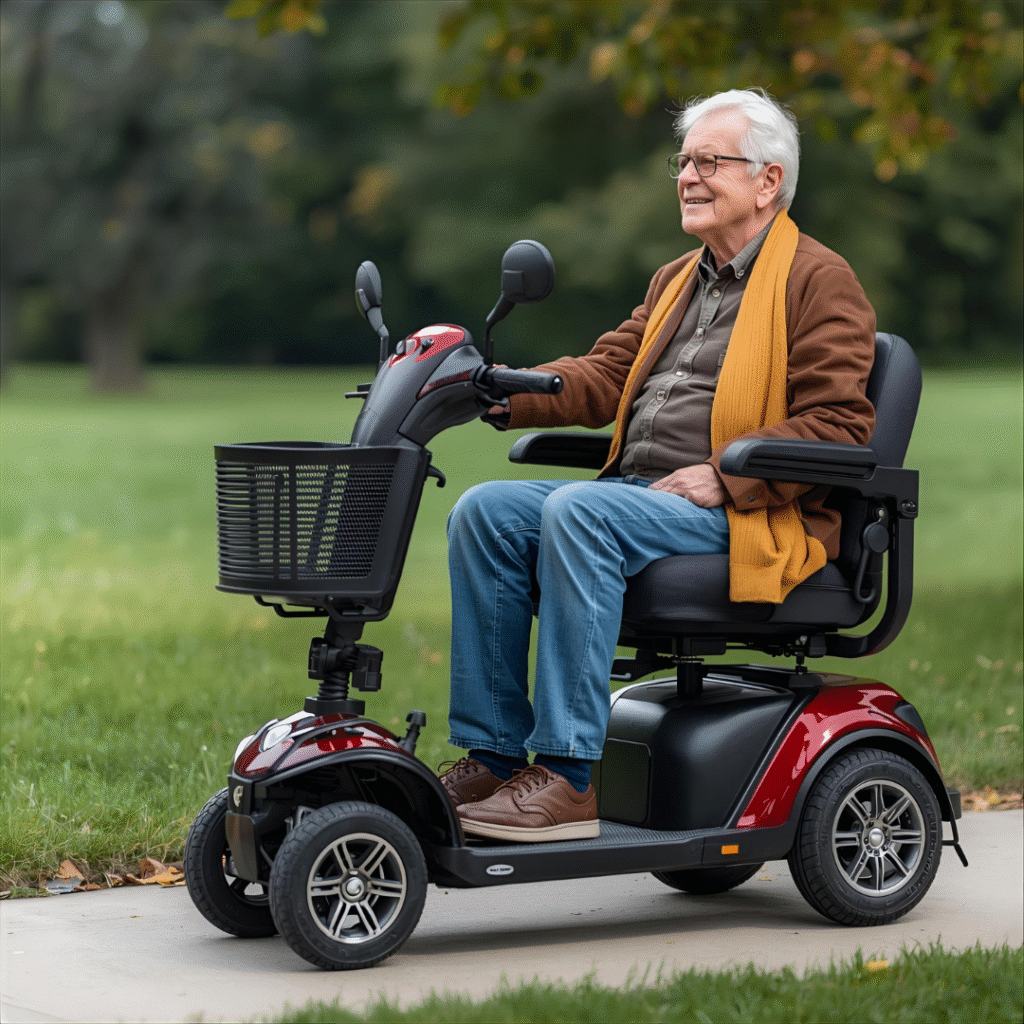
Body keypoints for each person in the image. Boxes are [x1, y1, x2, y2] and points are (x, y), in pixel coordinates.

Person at [438, 88, 876, 842]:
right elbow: (607, 374)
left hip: (750, 514)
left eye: (710, 161)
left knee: (579, 510)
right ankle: (495, 753)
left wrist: (727, 476)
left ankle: (569, 777)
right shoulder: (678, 278)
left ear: (768, 181)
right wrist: (503, 390)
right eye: (683, 161)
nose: (688, 176)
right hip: (643, 500)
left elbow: (840, 426)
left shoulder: (817, 279)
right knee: (484, 511)